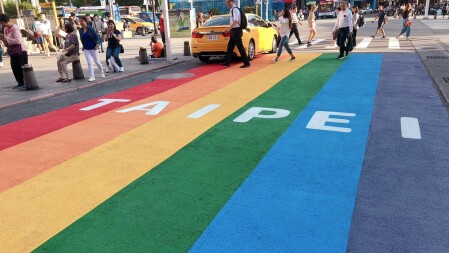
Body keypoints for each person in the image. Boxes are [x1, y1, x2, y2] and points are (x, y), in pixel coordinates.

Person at [0, 14, 28, 89]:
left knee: (21, 67)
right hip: (13, 51)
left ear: (4, 21)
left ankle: (25, 83)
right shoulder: (6, 29)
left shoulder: (14, 28)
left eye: (1, 23)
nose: (1, 25)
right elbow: (8, 41)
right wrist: (4, 40)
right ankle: (20, 83)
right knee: (15, 67)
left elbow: (18, 41)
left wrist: (5, 38)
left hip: (21, 50)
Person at [222, 0, 250, 68]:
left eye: (228, 2)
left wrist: (229, 28)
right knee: (230, 46)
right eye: (226, 2)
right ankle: (227, 62)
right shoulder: (232, 9)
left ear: (232, 1)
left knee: (240, 46)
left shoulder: (235, 10)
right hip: (234, 30)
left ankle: (246, 62)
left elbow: (236, 20)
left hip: (236, 30)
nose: (227, 3)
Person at [79, 16, 104, 82]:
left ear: (86, 21)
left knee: (97, 61)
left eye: (82, 21)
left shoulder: (90, 29)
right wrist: (83, 46)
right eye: (80, 21)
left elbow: (97, 37)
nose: (81, 22)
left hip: (94, 48)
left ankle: (102, 71)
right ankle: (92, 76)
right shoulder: (80, 30)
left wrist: (97, 44)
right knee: (89, 62)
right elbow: (82, 39)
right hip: (86, 49)